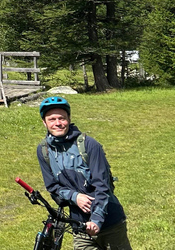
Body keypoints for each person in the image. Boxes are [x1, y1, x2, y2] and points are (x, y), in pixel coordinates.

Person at [37, 96, 132, 250]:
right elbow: (53, 188)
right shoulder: (44, 150)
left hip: (110, 223)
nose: (58, 123)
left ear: (69, 118)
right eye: (52, 119)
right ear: (44, 122)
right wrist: (75, 197)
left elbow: (103, 186)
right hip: (79, 227)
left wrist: (96, 219)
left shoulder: (89, 145)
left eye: (62, 118)